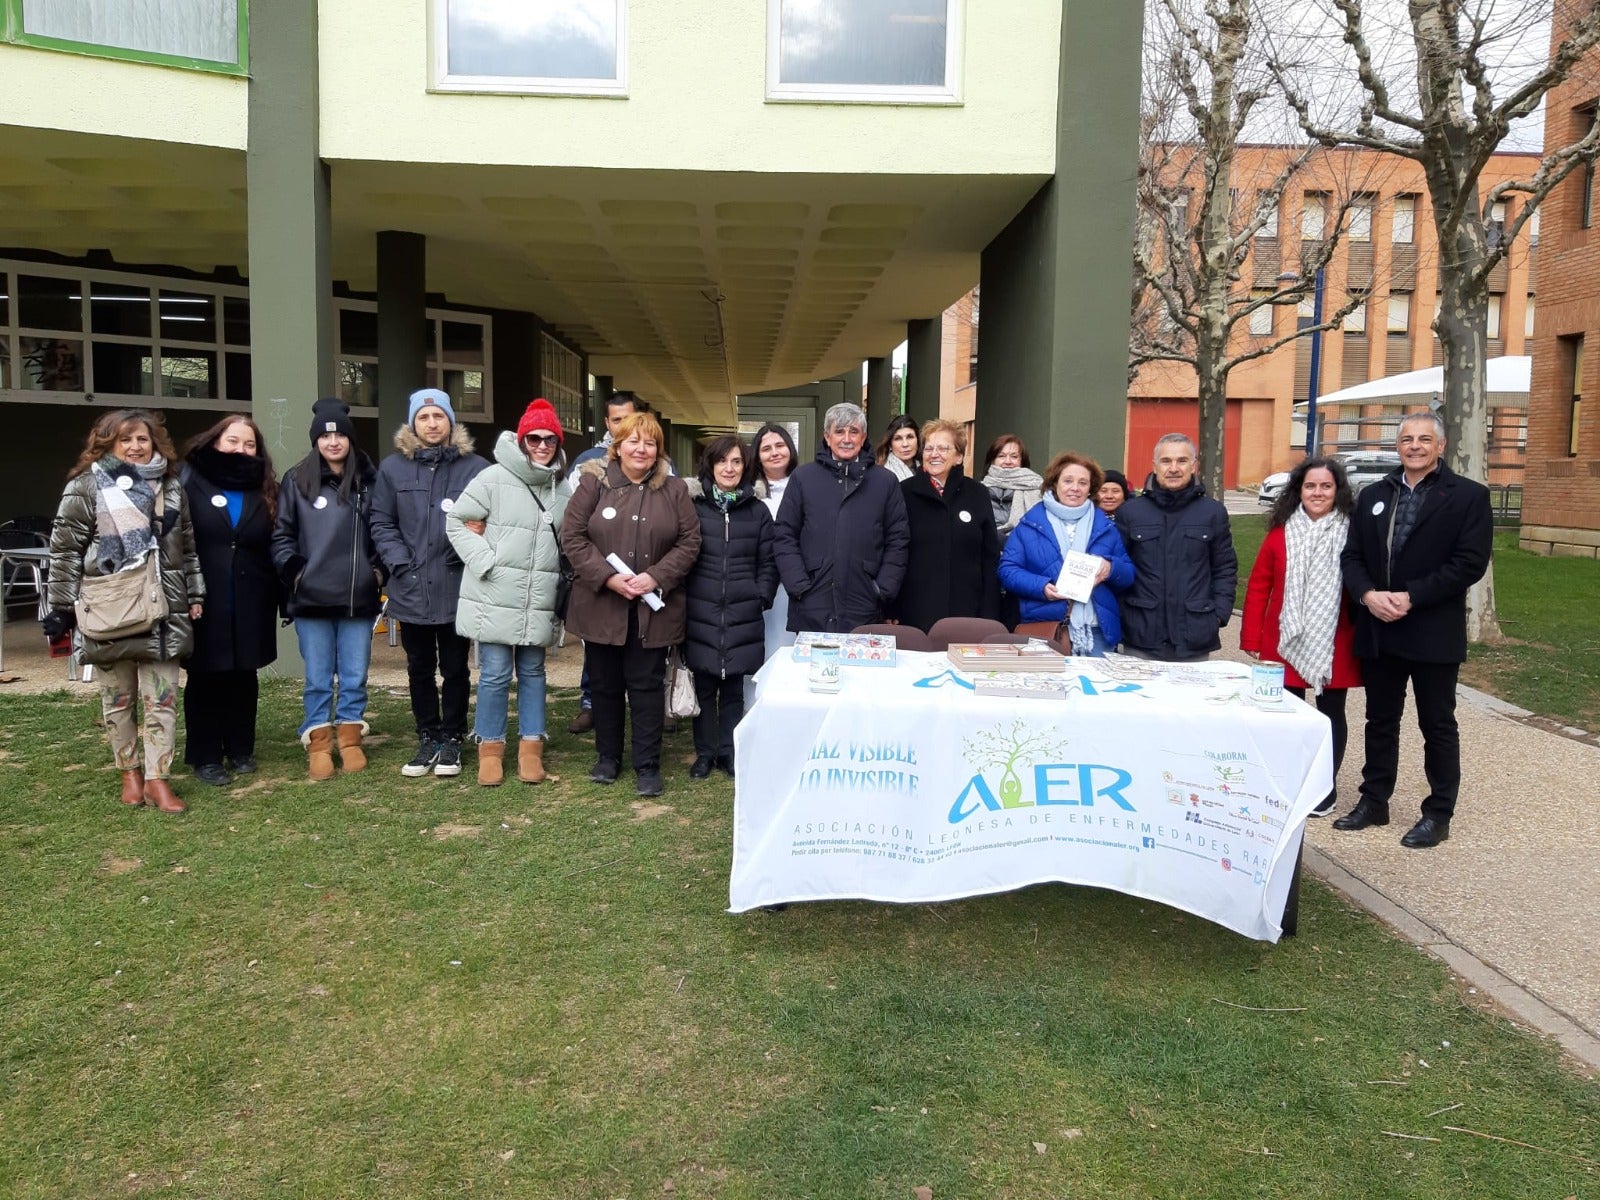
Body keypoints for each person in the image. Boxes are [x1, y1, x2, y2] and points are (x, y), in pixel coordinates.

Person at [1335, 412, 1493, 849]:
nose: (1415, 446)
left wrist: (1412, 596)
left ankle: (1438, 813)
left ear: (1440, 446)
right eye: (1407, 439)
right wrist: (1367, 595)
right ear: (1398, 446)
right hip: (1380, 627)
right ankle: (1374, 800)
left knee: (1437, 724)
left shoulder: (1468, 497)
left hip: (1431, 630)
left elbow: (1469, 564)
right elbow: (1351, 557)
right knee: (1380, 719)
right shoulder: (1373, 494)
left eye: (1425, 439)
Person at [43, 408, 204, 813]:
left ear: (155, 444)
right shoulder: (85, 487)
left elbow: (186, 548)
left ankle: (157, 779)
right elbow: (65, 551)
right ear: (108, 444)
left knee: (162, 699)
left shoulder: (171, 487)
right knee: (118, 700)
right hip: (108, 609)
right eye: (125, 439)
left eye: (142, 439)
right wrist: (61, 607)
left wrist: (196, 594)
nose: (135, 446)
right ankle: (129, 772)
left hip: (164, 608)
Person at [561, 410, 700, 797]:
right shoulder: (593, 484)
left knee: (646, 686)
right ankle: (607, 758)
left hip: (653, 607)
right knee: (604, 685)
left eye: (650, 442)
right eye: (633, 441)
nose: (642, 448)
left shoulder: (674, 491)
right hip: (601, 604)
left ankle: (647, 764)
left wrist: (656, 576)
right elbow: (571, 537)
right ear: (618, 446)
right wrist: (607, 577)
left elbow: (690, 543)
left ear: (658, 451)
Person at [446, 399, 568, 787]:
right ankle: (491, 748)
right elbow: (456, 522)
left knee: (533, 672)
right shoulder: (492, 478)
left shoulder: (561, 487)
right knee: (495, 673)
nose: (543, 445)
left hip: (538, 596)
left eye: (550, 438)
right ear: (522, 439)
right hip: (496, 593)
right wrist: (485, 562)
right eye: (534, 438)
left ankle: (531, 748)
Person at [369, 387, 488, 779]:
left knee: (455, 667)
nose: (432, 423)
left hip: (457, 586)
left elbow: (489, 518)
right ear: (413, 423)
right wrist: (399, 563)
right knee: (418, 667)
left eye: (439, 416)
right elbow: (382, 522)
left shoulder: (475, 468)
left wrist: (469, 546)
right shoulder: (392, 469)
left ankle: (453, 737)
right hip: (410, 584)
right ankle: (428, 735)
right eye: (424, 417)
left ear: (450, 421)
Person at [1240, 457, 1362, 817]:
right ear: (1299, 491)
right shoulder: (1280, 533)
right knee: (1286, 714)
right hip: (1284, 638)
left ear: (1337, 491)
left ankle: (1325, 789)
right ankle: (1289, 783)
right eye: (1310, 486)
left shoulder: (1352, 531)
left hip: (1335, 637)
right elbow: (1260, 584)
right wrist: (1251, 636)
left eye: (1326, 486)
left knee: (1330, 715)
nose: (1318, 492)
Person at [272, 398, 383, 780]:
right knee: (318, 676)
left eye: (338, 435)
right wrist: (297, 573)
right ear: (316, 441)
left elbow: (384, 533)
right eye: (324, 435)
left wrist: (377, 574)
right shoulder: (296, 480)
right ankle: (319, 740)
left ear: (350, 439)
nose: (332, 442)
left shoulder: (370, 481)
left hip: (357, 596)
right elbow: (282, 535)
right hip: (311, 597)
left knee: (354, 674)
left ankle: (350, 737)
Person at [179, 415, 281, 787]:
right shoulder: (188, 481)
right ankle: (206, 755)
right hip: (204, 595)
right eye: (233, 441)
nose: (241, 449)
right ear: (214, 442)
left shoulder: (267, 486)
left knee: (244, 673)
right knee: (206, 674)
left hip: (253, 594)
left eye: (249, 444)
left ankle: (240, 749)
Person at [683, 436, 778, 779]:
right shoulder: (694, 507)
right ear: (710, 465)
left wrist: (761, 595)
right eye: (722, 461)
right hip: (702, 609)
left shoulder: (757, 511)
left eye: (736, 462)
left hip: (742, 610)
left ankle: (729, 751)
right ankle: (705, 753)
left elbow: (769, 562)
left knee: (734, 688)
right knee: (705, 685)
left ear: (745, 467)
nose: (729, 468)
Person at [773, 402, 910, 634]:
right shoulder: (803, 478)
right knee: (812, 670)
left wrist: (882, 589)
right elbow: (784, 534)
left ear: (863, 437)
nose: (846, 439)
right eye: (839, 431)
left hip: (864, 601)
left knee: (860, 670)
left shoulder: (885, 482)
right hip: (812, 601)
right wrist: (799, 586)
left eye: (853, 431)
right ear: (827, 437)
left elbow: (898, 539)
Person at [1114, 433, 1237, 661]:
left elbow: (1224, 568)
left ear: (1193, 465)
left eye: (1181, 461)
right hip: (1141, 635)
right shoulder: (1131, 512)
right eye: (1166, 461)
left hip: (1194, 636)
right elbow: (1118, 569)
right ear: (1154, 465)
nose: (1173, 468)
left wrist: (1218, 614)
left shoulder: (1212, 513)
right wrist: (1125, 615)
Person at [999, 451, 1134, 656]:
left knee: (1095, 687)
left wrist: (1111, 568)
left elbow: (1128, 574)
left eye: (1083, 482)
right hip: (1046, 626)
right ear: (1055, 484)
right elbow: (1007, 570)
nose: (1075, 488)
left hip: (1097, 630)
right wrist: (1041, 587)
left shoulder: (1105, 527)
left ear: (1091, 488)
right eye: (1068, 481)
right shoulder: (1030, 524)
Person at [565, 391, 639, 735]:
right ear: (607, 423)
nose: (624, 426)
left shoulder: (655, 457)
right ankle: (590, 702)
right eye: (617, 419)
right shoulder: (588, 462)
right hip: (599, 571)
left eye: (630, 417)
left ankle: (649, 708)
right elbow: (573, 519)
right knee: (596, 648)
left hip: (641, 574)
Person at [897, 419, 1001, 632]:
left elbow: (989, 558)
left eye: (943, 448)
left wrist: (989, 613)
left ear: (959, 456)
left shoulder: (978, 494)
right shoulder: (903, 492)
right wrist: (891, 608)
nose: (935, 454)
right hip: (914, 611)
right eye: (929, 448)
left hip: (967, 612)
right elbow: (894, 552)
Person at [751, 422, 798, 664]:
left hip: (798, 585)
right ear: (757, 457)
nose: (775, 452)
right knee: (762, 652)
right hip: (760, 585)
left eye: (780, 445)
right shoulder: (747, 493)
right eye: (766, 448)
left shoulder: (806, 485)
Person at [979, 434, 1044, 543]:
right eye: (1001, 456)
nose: (1008, 461)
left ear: (1022, 461)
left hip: (1025, 550)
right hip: (987, 553)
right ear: (992, 460)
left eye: (1014, 456)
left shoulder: (1038, 488)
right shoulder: (978, 491)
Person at [875, 413, 921, 482]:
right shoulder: (881, 473)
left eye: (910, 437)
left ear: (918, 440)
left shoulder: (928, 468)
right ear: (890, 444)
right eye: (898, 439)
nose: (905, 444)